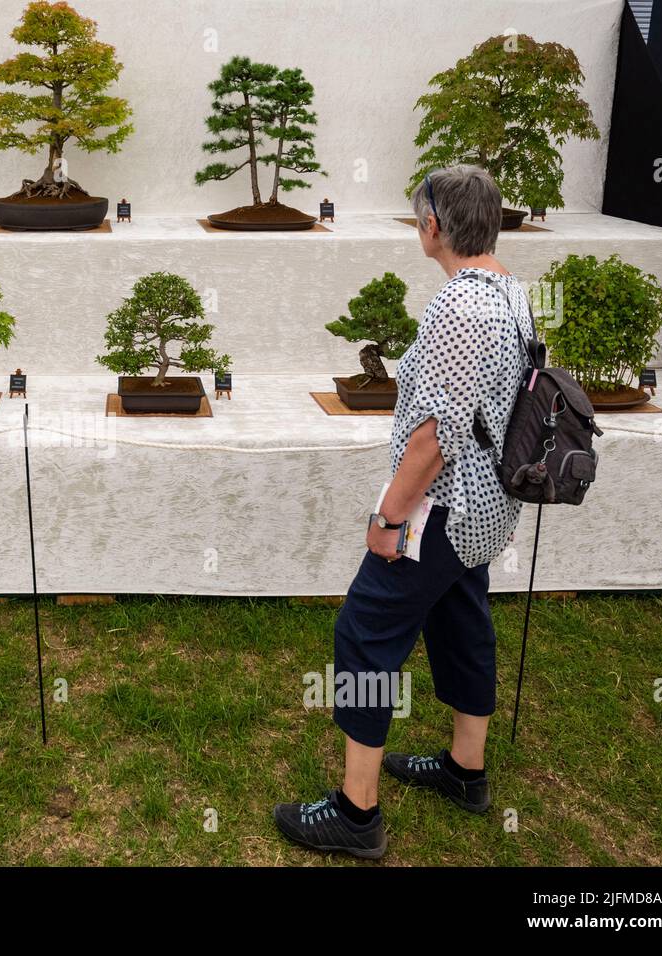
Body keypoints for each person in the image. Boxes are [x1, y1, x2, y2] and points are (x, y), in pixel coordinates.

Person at [273, 164, 534, 859]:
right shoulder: (513, 294)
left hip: (442, 509)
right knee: (461, 618)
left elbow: (435, 437)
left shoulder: (460, 308)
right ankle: (465, 770)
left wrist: (388, 519)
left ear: (433, 228)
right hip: (489, 511)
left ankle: (357, 815)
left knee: (364, 633)